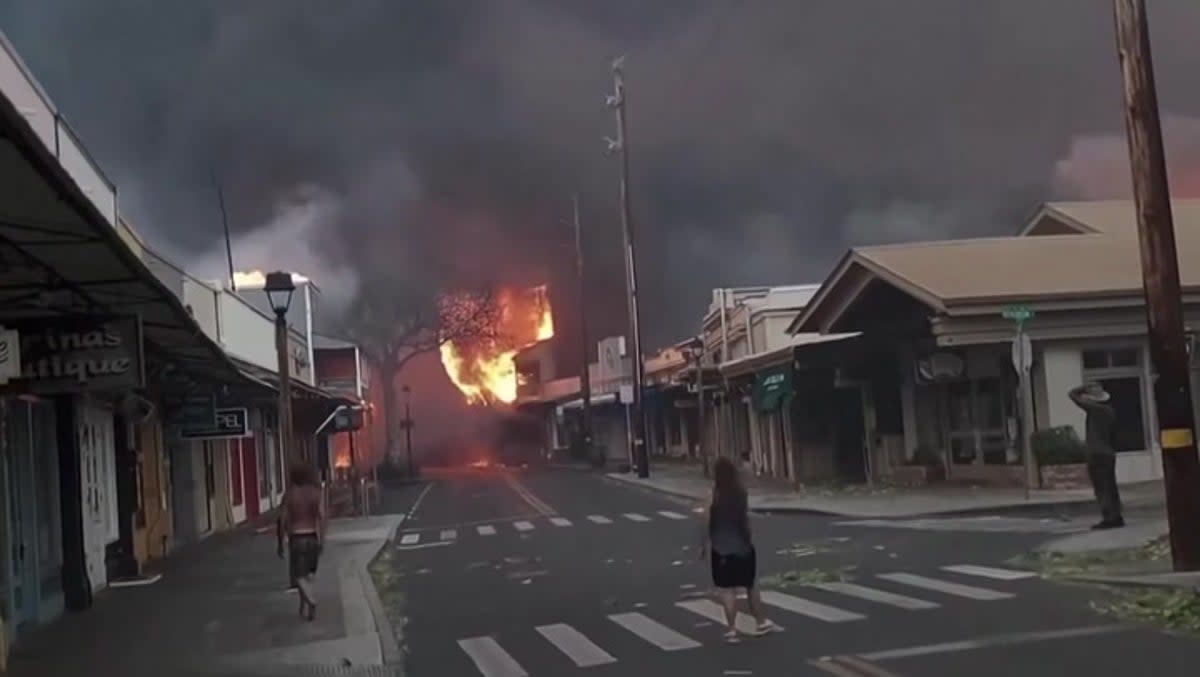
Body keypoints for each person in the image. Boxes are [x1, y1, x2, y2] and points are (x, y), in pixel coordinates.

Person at [699, 457, 779, 643]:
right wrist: (748, 538)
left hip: (721, 549)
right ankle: (760, 622)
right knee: (750, 585)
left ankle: (732, 629)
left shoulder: (713, 495)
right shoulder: (740, 493)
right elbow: (745, 520)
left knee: (727, 590)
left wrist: (704, 546)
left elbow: (706, 522)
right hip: (743, 547)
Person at [1069, 382, 1125, 530]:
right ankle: (1116, 515)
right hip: (1108, 452)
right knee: (1111, 485)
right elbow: (1114, 436)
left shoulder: (1095, 409)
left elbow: (1072, 395)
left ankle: (1109, 517)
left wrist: (1085, 387)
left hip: (1096, 453)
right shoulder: (1110, 411)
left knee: (1101, 487)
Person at [277, 462, 326, 620]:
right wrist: (322, 540)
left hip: (297, 538)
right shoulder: (316, 493)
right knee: (308, 575)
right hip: (312, 537)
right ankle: (303, 605)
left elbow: (282, 519)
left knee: (298, 576)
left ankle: (311, 600)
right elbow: (322, 516)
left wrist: (280, 542)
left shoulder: (289, 495)